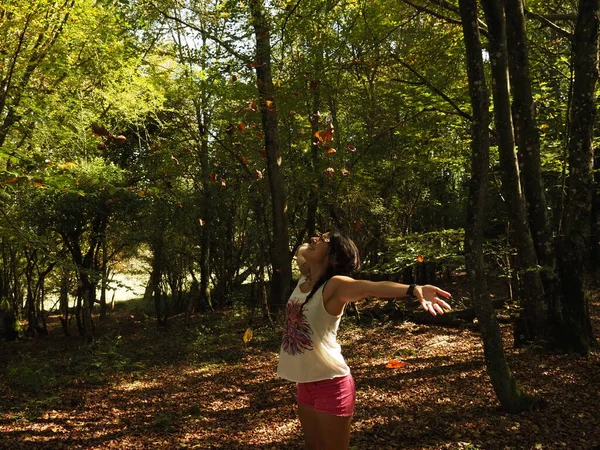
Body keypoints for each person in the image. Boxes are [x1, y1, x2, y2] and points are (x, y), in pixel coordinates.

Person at [277, 231, 452, 450]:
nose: (314, 239)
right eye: (317, 236)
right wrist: (320, 243)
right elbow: (302, 249)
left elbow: (370, 287)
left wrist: (413, 289)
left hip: (331, 385)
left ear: (332, 256)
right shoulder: (306, 276)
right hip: (305, 383)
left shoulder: (335, 286)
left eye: (323, 240)